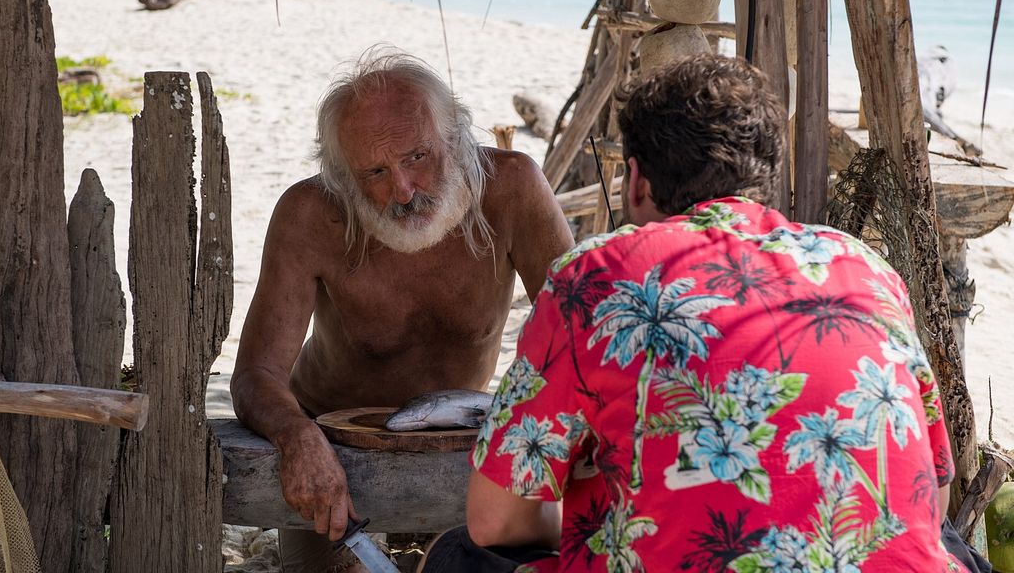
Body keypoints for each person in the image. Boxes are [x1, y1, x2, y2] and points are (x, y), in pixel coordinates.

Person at [421, 54, 966, 571]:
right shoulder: (862, 266)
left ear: (636, 181)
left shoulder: (595, 278)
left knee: (461, 557)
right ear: (766, 180)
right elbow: (934, 496)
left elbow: (496, 521)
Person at [230, 47, 574, 573]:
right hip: (331, 451)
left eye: (417, 156)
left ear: (455, 138)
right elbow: (256, 375)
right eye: (375, 171)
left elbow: (577, 337)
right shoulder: (310, 216)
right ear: (342, 176)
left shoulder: (512, 189)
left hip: (461, 445)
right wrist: (297, 437)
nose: (403, 191)